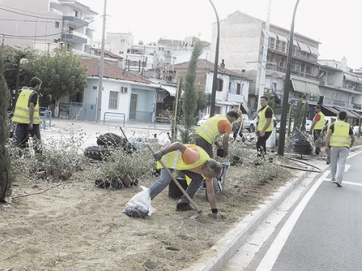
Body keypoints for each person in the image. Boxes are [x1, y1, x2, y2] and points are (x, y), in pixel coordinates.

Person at [151, 142, 222, 218]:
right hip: (170, 156)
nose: (210, 178)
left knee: (198, 178)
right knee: (164, 180)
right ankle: (144, 199)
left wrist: (214, 211)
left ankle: (183, 204)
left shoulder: (209, 172)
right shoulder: (194, 157)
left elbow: (210, 191)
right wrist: (161, 152)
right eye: (210, 176)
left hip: (183, 163)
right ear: (207, 169)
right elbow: (178, 144)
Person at [325, 111, 355, 187]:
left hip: (334, 146)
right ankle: (338, 180)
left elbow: (328, 135)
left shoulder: (333, 124)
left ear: (338, 116)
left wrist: (326, 146)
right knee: (341, 164)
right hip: (344, 147)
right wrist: (350, 145)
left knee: (333, 162)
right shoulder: (348, 126)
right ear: (345, 118)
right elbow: (353, 138)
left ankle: (332, 178)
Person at [12, 77, 43, 150]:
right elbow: (31, 107)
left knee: (17, 140)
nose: (40, 87)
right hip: (31, 122)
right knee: (37, 142)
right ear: (37, 85)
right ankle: (39, 158)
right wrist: (31, 122)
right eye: (40, 85)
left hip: (21, 121)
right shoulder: (34, 93)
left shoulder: (23, 92)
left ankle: (12, 154)